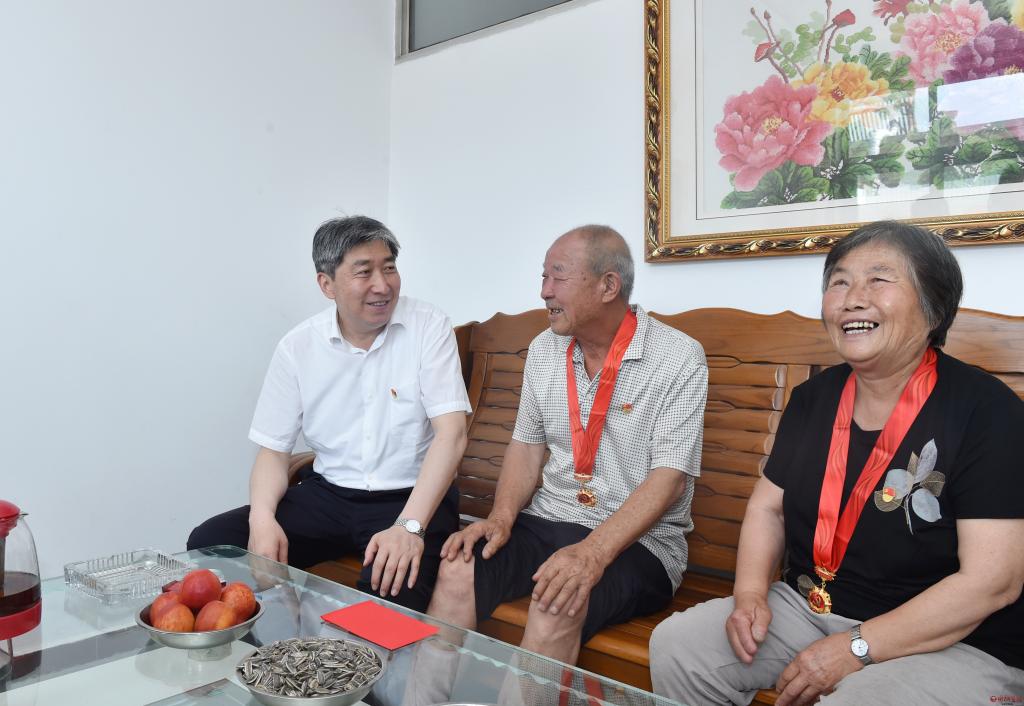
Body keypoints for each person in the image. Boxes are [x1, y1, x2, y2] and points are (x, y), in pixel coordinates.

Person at [650, 221, 1024, 706]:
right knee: (680, 647)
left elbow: (992, 582)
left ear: (933, 305)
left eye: (879, 279)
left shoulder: (986, 411)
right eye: (839, 282)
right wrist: (750, 595)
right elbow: (768, 508)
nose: (852, 299)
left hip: (952, 638)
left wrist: (856, 647)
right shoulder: (814, 399)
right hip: (810, 608)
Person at [426, 225, 708, 663]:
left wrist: (593, 552)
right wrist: (501, 518)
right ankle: (424, 694)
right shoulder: (544, 349)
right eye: (544, 277)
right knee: (458, 567)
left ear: (608, 286)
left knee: (556, 601)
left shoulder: (677, 357)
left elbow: (669, 479)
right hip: (550, 519)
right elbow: (526, 447)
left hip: (642, 543)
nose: (544, 291)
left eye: (557, 277)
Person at [187, 216, 470, 611]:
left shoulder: (428, 326)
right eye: (364, 272)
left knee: (387, 599)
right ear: (327, 284)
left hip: (412, 499)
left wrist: (409, 528)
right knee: (212, 543)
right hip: (327, 497)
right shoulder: (298, 346)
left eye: (389, 268)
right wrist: (262, 520)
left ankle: (344, 649)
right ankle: (278, 643)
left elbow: (452, 434)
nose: (382, 284)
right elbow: (273, 451)